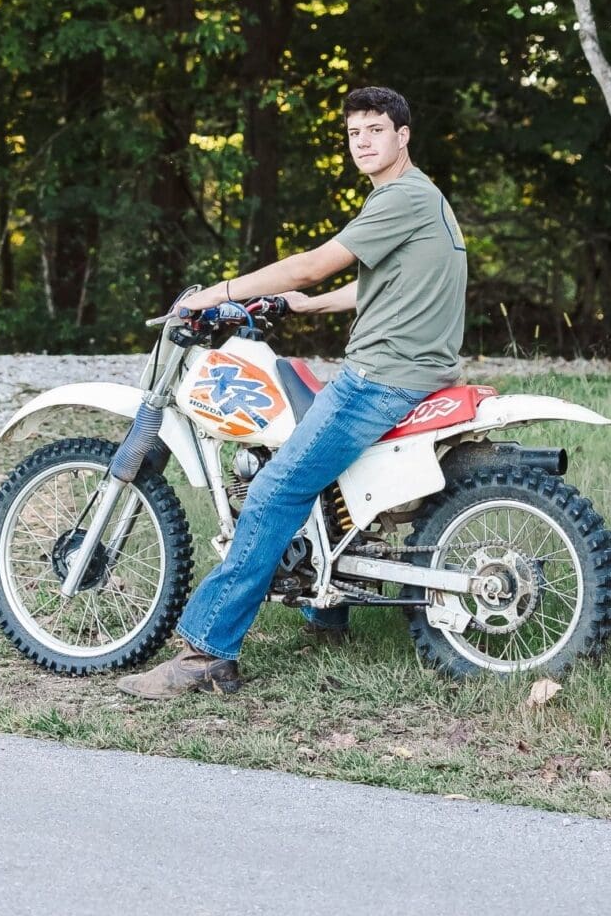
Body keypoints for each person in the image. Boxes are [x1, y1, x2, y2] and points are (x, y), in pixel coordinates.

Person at [112, 85, 466, 700]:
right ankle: (325, 613)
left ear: (402, 136)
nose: (363, 141)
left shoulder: (400, 196)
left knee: (275, 489)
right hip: (415, 369)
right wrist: (311, 304)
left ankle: (205, 653)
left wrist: (216, 293)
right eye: (355, 132)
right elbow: (392, 282)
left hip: (382, 376)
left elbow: (311, 262)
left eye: (376, 130)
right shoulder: (419, 197)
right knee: (305, 459)